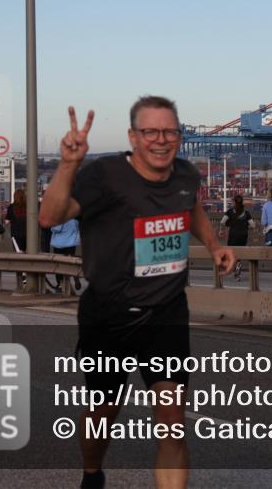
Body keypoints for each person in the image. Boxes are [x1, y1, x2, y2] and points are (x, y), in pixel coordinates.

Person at [38, 97, 234, 489]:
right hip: (108, 314)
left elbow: (189, 206)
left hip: (166, 312)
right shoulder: (105, 175)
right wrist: (68, 164)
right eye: (150, 132)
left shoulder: (185, 175)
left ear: (180, 136)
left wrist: (214, 245)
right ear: (133, 137)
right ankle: (92, 474)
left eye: (169, 132)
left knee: (172, 421)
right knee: (103, 412)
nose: (161, 140)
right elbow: (49, 217)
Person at [220, 194, 253, 281]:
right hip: (243, 235)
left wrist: (222, 230)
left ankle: (235, 271)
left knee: (232, 254)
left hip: (233, 235)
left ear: (234, 202)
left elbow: (222, 222)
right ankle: (237, 272)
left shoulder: (230, 212)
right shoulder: (246, 213)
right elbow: (253, 225)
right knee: (240, 253)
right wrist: (245, 226)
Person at [49, 218, 82, 292]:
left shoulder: (61, 217)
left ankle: (61, 283)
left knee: (58, 264)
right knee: (71, 262)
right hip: (72, 243)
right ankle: (75, 278)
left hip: (59, 244)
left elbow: (56, 229)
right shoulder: (74, 218)